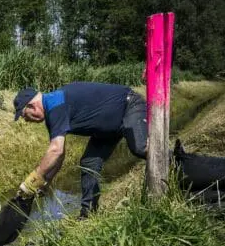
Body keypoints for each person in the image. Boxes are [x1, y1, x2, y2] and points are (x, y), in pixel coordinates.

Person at [13, 82, 147, 219]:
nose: (26, 120)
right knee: (89, 164)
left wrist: (31, 181)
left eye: (24, 115)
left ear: (32, 106)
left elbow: (55, 151)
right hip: (106, 128)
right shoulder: (52, 108)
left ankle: (169, 166)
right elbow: (59, 156)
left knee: (140, 148)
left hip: (129, 105)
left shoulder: (55, 105)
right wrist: (45, 182)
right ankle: (87, 214)